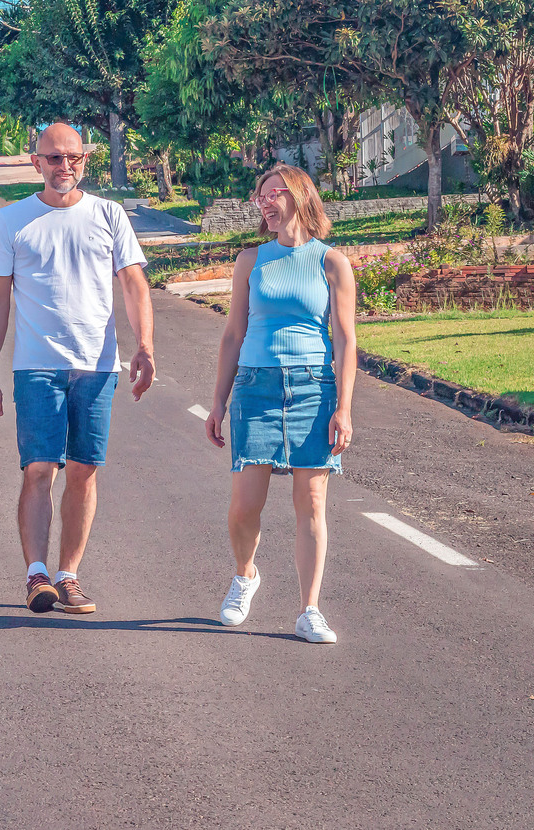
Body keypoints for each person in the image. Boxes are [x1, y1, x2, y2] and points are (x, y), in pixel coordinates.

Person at [0, 122, 155, 615]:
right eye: (54, 158)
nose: (64, 166)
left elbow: (134, 284)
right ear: (36, 162)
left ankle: (68, 576)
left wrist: (145, 346)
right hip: (36, 365)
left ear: (85, 160)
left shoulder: (108, 214)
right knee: (40, 468)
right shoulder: (11, 220)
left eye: (72, 157)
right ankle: (37, 575)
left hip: (97, 366)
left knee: (83, 470)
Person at [205, 162, 356, 644]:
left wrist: (344, 407)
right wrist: (218, 401)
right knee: (245, 505)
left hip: (314, 387)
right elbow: (233, 334)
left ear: (300, 196)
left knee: (312, 502)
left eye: (274, 194)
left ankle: (310, 610)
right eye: (261, 197)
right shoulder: (251, 260)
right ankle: (245, 575)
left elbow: (345, 341)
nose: (265, 203)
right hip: (256, 387)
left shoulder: (331, 262)